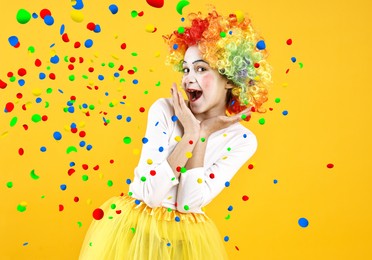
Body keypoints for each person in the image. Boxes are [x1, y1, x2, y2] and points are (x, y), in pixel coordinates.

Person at [79, 8, 271, 260]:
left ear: (231, 80)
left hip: (185, 244)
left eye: (201, 69)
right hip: (132, 235)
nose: (189, 79)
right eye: (186, 69)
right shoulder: (164, 110)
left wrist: (202, 135)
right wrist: (190, 133)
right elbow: (151, 195)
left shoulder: (242, 140)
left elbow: (188, 204)